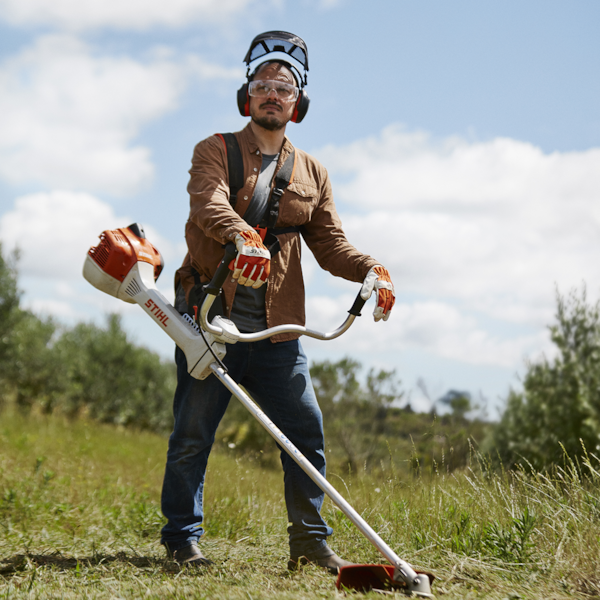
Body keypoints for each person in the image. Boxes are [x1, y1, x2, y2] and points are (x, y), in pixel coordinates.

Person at [160, 31, 395, 574]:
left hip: (279, 330)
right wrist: (243, 236)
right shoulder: (213, 150)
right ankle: (181, 540)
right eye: (263, 84)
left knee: (306, 435)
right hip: (211, 318)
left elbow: (332, 246)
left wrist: (372, 270)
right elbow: (207, 203)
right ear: (247, 96)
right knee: (193, 434)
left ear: (299, 103)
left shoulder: (314, 173)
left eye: (284, 86)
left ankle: (310, 544)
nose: (273, 93)